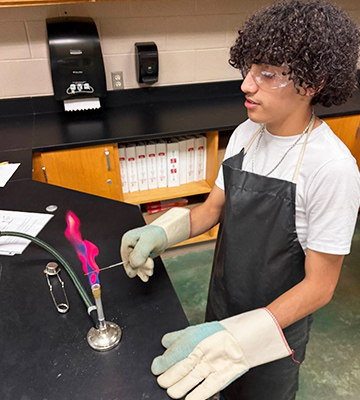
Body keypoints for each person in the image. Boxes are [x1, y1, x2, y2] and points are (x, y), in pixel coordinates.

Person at [120, 1, 360, 399]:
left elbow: (320, 287)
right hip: (224, 303)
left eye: (266, 74)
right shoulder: (247, 133)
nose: (247, 85)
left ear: (313, 83)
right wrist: (161, 232)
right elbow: (213, 210)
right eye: (249, 69)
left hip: (274, 327)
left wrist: (243, 335)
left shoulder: (331, 168)